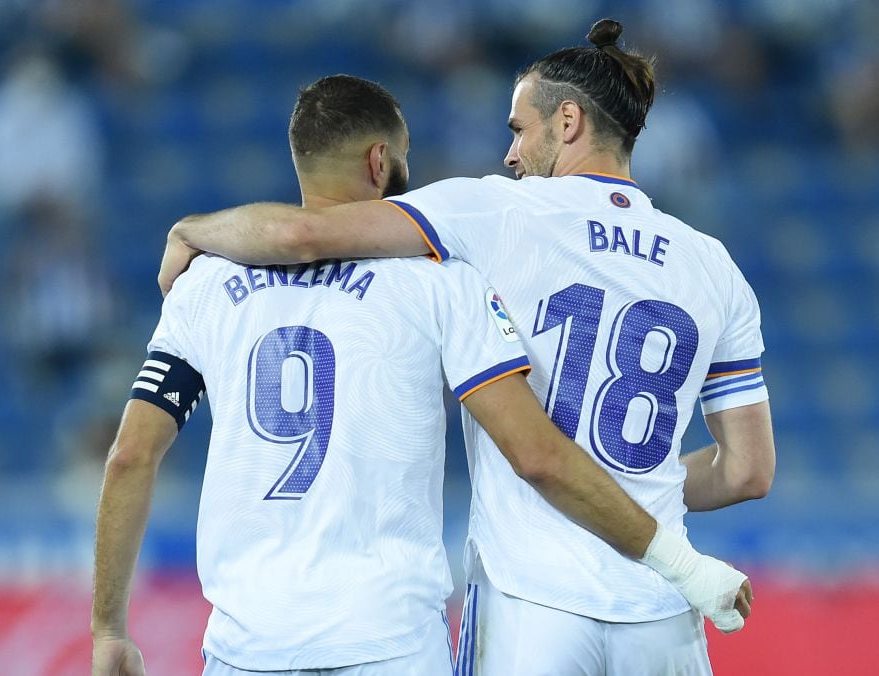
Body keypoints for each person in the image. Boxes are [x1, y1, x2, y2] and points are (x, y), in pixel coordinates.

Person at [157, 19, 774, 676]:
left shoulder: (498, 212)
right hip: (661, 610)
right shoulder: (713, 265)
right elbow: (747, 472)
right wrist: (640, 490)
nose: (510, 155)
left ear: (567, 122)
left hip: (531, 603)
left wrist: (192, 229)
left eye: (518, 128)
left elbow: (305, 235)